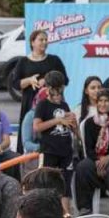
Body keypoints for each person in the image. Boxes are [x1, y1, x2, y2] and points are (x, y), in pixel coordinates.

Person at [11, 29, 67, 152]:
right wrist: (29, 80)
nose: (44, 42)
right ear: (32, 42)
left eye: (46, 40)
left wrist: (47, 81)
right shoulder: (23, 62)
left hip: (53, 103)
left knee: (56, 131)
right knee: (29, 134)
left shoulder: (54, 60)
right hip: (31, 103)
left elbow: (65, 80)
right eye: (41, 39)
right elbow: (15, 84)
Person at [32, 71, 78, 206]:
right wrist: (57, 121)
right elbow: (37, 127)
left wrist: (73, 122)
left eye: (60, 89)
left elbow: (73, 130)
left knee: (65, 186)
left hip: (66, 151)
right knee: (47, 184)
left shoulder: (64, 105)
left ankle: (66, 216)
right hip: (49, 151)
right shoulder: (43, 105)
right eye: (54, 89)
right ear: (48, 88)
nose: (57, 92)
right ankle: (49, 213)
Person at [73, 88, 109, 214]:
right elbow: (89, 149)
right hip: (96, 160)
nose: (103, 104)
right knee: (82, 167)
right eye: (100, 101)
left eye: (106, 101)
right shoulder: (89, 123)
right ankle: (85, 208)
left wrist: (108, 158)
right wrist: (97, 161)